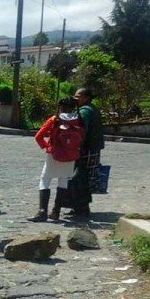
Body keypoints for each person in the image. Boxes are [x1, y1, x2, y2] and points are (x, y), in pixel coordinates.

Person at [28, 96, 79, 222]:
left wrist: (46, 146)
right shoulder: (78, 120)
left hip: (54, 154)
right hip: (71, 155)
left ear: (60, 107)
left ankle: (42, 212)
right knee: (63, 180)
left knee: (45, 180)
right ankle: (56, 211)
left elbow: (38, 136)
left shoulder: (54, 119)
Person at [69, 87, 105, 218]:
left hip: (86, 149)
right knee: (86, 177)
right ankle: (81, 206)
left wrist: (77, 146)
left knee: (80, 177)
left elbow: (82, 131)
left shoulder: (85, 111)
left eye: (78, 96)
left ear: (86, 98)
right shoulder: (93, 109)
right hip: (93, 147)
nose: (76, 98)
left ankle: (81, 207)